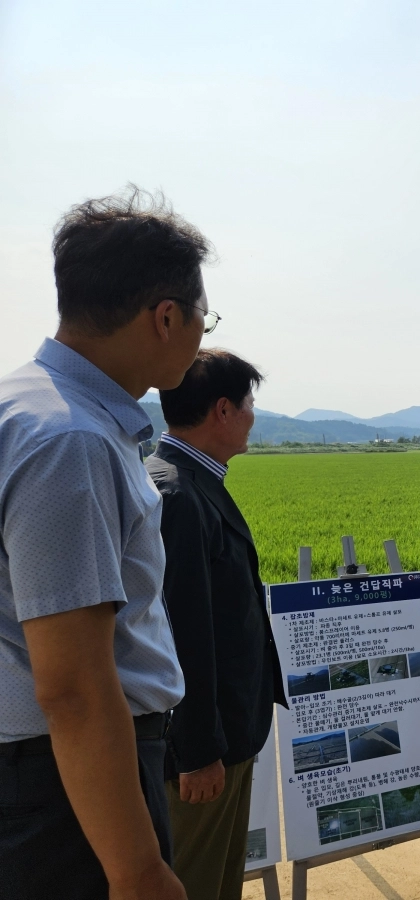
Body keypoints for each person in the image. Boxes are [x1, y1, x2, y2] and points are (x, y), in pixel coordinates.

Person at [0, 188, 213, 900]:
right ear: (165, 316)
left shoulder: (28, 407)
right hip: (68, 789)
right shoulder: (71, 442)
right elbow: (74, 688)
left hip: (53, 774)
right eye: (201, 317)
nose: (202, 336)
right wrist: (136, 869)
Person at [146, 349, 287, 900]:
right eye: (250, 404)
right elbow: (180, 632)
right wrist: (199, 749)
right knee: (196, 883)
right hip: (204, 750)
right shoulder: (178, 495)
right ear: (223, 411)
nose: (254, 415)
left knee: (223, 881)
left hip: (229, 734)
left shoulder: (193, 481)